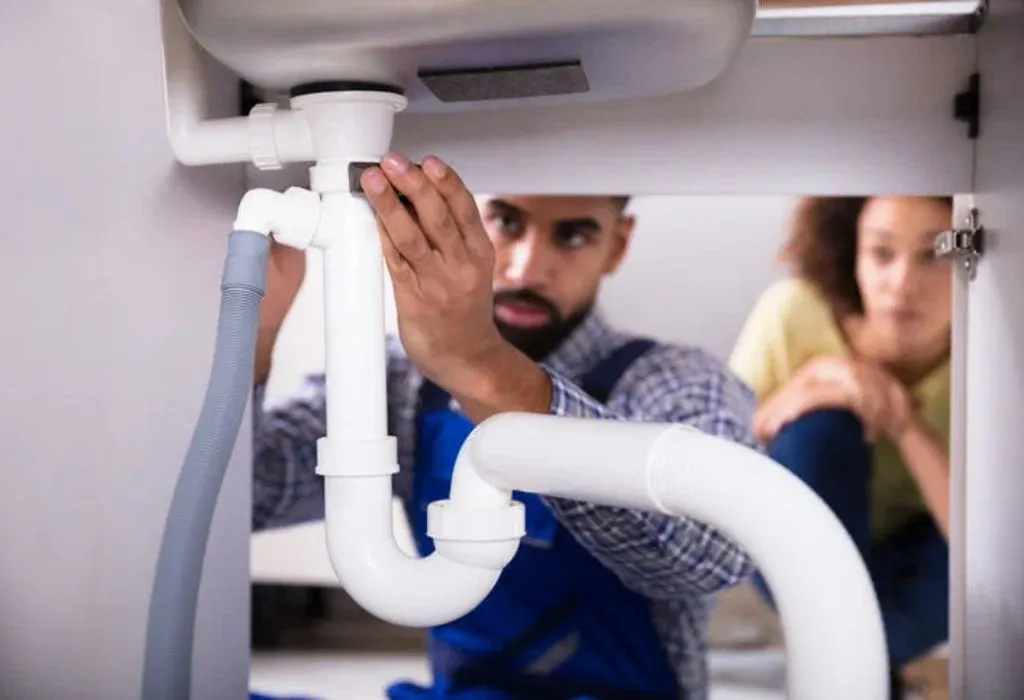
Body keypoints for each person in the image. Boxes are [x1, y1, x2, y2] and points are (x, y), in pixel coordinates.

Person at [252, 151, 761, 700]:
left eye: (572, 237)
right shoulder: (402, 381)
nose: (524, 269)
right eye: (507, 223)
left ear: (617, 244)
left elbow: (712, 558)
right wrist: (258, 326)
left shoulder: (680, 383)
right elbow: (246, 496)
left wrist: (478, 365)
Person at [728, 195, 953, 698]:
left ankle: (851, 665)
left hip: (920, 558)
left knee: (973, 562)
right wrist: (815, 382)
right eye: (881, 253)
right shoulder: (793, 310)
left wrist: (903, 421)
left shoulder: (996, 344)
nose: (901, 284)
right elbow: (720, 461)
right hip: (799, 548)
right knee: (821, 423)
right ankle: (856, 662)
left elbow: (985, 545)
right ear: (852, 252)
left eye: (934, 253)